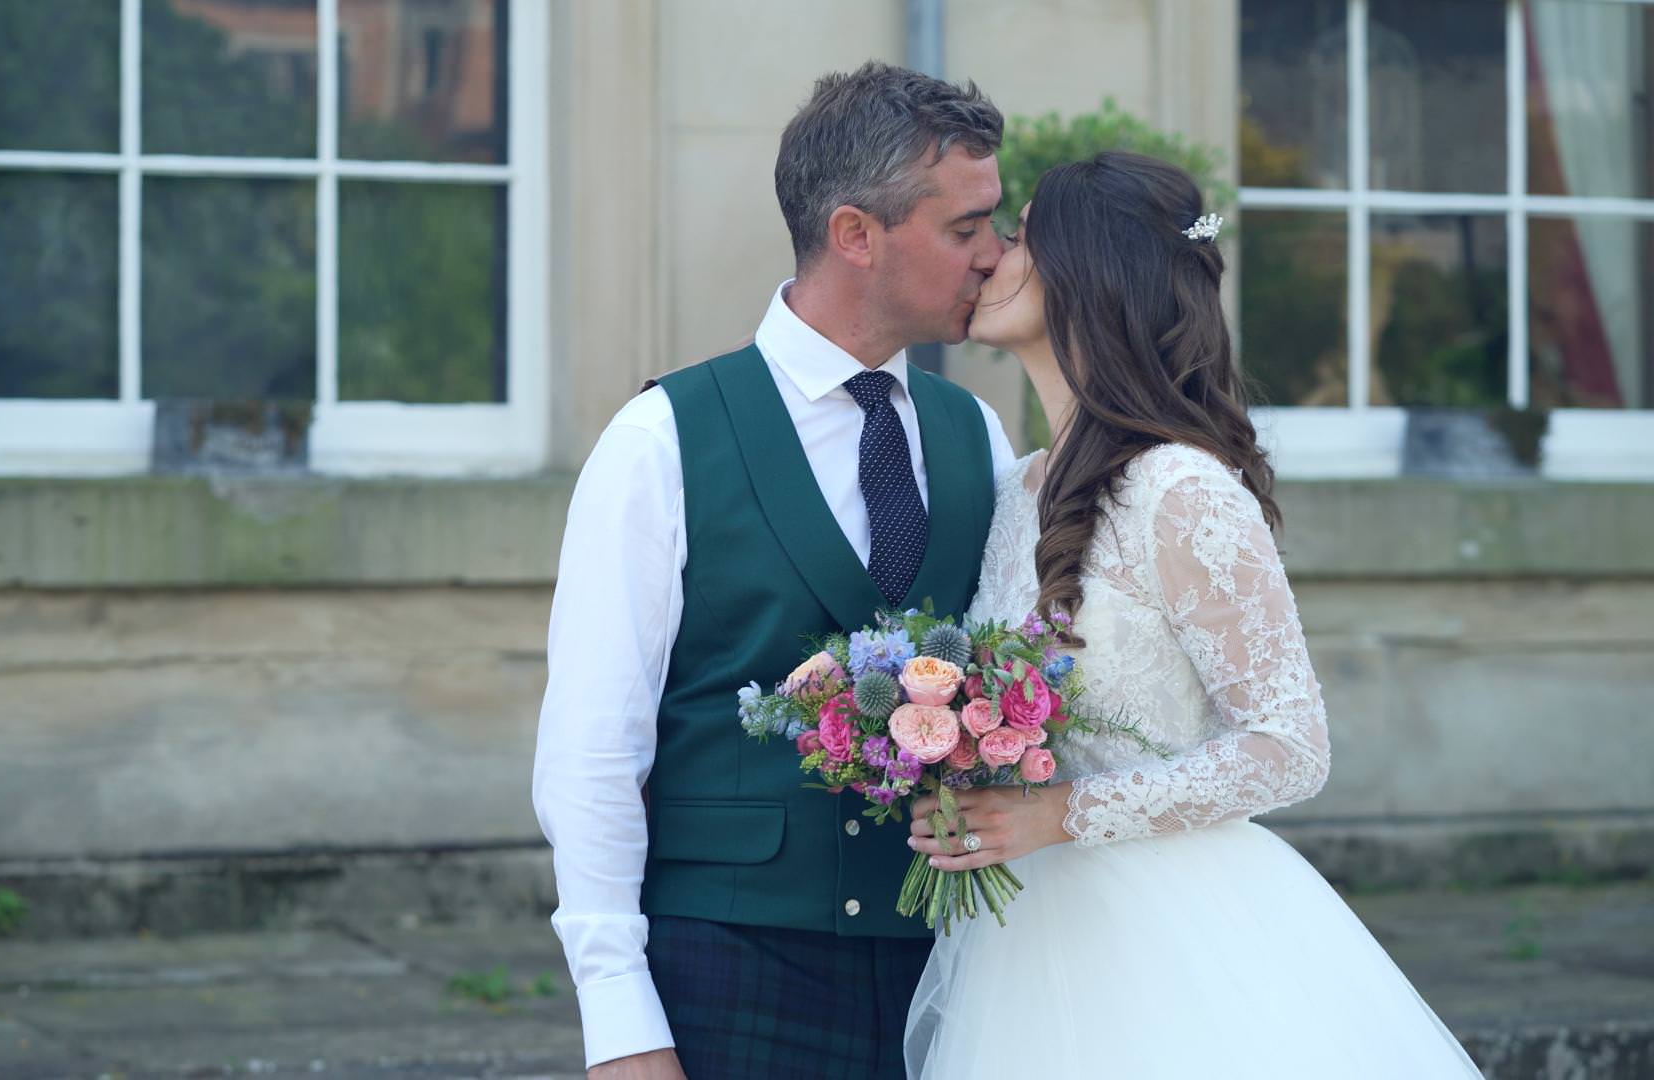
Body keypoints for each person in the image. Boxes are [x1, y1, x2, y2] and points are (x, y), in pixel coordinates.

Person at [901, 150, 1483, 1077]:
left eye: (1019, 238)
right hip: (1032, 944)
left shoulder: (1180, 489)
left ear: (1088, 273)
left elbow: (1290, 744)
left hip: (1172, 937)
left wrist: (1064, 814)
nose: (991, 259)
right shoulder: (1018, 491)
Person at [531, 62, 1019, 1079]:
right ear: (856, 235)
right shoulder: (659, 440)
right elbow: (590, 751)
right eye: (964, 230)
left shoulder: (975, 431)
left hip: (954, 973)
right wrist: (621, 1027)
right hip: (730, 972)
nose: (995, 256)